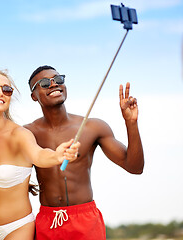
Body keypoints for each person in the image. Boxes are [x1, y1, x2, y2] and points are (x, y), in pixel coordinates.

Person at [24, 65, 145, 240]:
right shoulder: (27, 133)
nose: (53, 85)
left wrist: (131, 123)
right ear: (34, 96)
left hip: (85, 219)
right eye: (44, 83)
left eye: (58, 80)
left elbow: (135, 167)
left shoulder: (92, 127)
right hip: (48, 221)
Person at [0, 70, 80, 240]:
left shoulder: (19, 134)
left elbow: (38, 155)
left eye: (7, 90)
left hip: (17, 228)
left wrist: (57, 156)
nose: (1, 93)